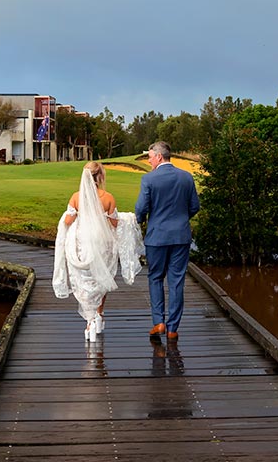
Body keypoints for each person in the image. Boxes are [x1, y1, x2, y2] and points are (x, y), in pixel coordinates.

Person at [53, 162, 142, 342]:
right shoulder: (108, 198)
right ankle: (99, 315)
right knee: (101, 276)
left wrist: (70, 216)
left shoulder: (76, 197)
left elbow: (68, 221)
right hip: (102, 241)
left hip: (82, 242)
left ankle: (90, 320)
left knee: (84, 279)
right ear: (100, 176)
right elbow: (114, 223)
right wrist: (125, 218)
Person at [134, 140, 199, 340]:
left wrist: (140, 221)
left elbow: (141, 208)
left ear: (159, 156)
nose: (149, 161)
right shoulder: (186, 177)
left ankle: (158, 322)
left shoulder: (149, 179)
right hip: (181, 236)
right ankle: (172, 329)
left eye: (150, 157)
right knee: (176, 281)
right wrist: (181, 220)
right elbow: (195, 206)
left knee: (155, 278)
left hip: (157, 237)